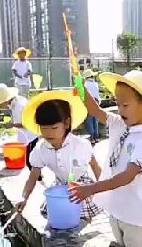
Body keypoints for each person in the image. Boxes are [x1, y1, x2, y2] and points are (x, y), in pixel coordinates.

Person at [69, 70, 142, 247]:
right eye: (118, 104)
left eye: (126, 105)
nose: (120, 109)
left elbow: (128, 176)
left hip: (137, 220)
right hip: (116, 212)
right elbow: (95, 110)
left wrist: (92, 188)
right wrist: (81, 87)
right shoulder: (121, 124)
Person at [15, 90, 102, 221]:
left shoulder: (81, 145)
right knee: (57, 216)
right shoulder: (41, 149)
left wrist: (103, 190)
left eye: (54, 128)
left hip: (82, 186)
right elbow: (33, 176)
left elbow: (95, 167)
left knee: (83, 216)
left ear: (66, 123)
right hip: (60, 186)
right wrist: (24, 197)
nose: (49, 133)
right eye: (43, 129)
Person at [0, 83, 37, 163]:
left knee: (31, 163)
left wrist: (12, 125)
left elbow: (28, 124)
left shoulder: (18, 106)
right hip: (28, 137)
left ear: (5, 101)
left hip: (30, 138)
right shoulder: (18, 100)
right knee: (31, 163)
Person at [82, 69, 101, 141]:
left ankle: (92, 137)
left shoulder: (85, 85)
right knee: (95, 119)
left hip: (89, 102)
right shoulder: (95, 84)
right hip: (96, 102)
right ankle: (96, 137)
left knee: (89, 119)